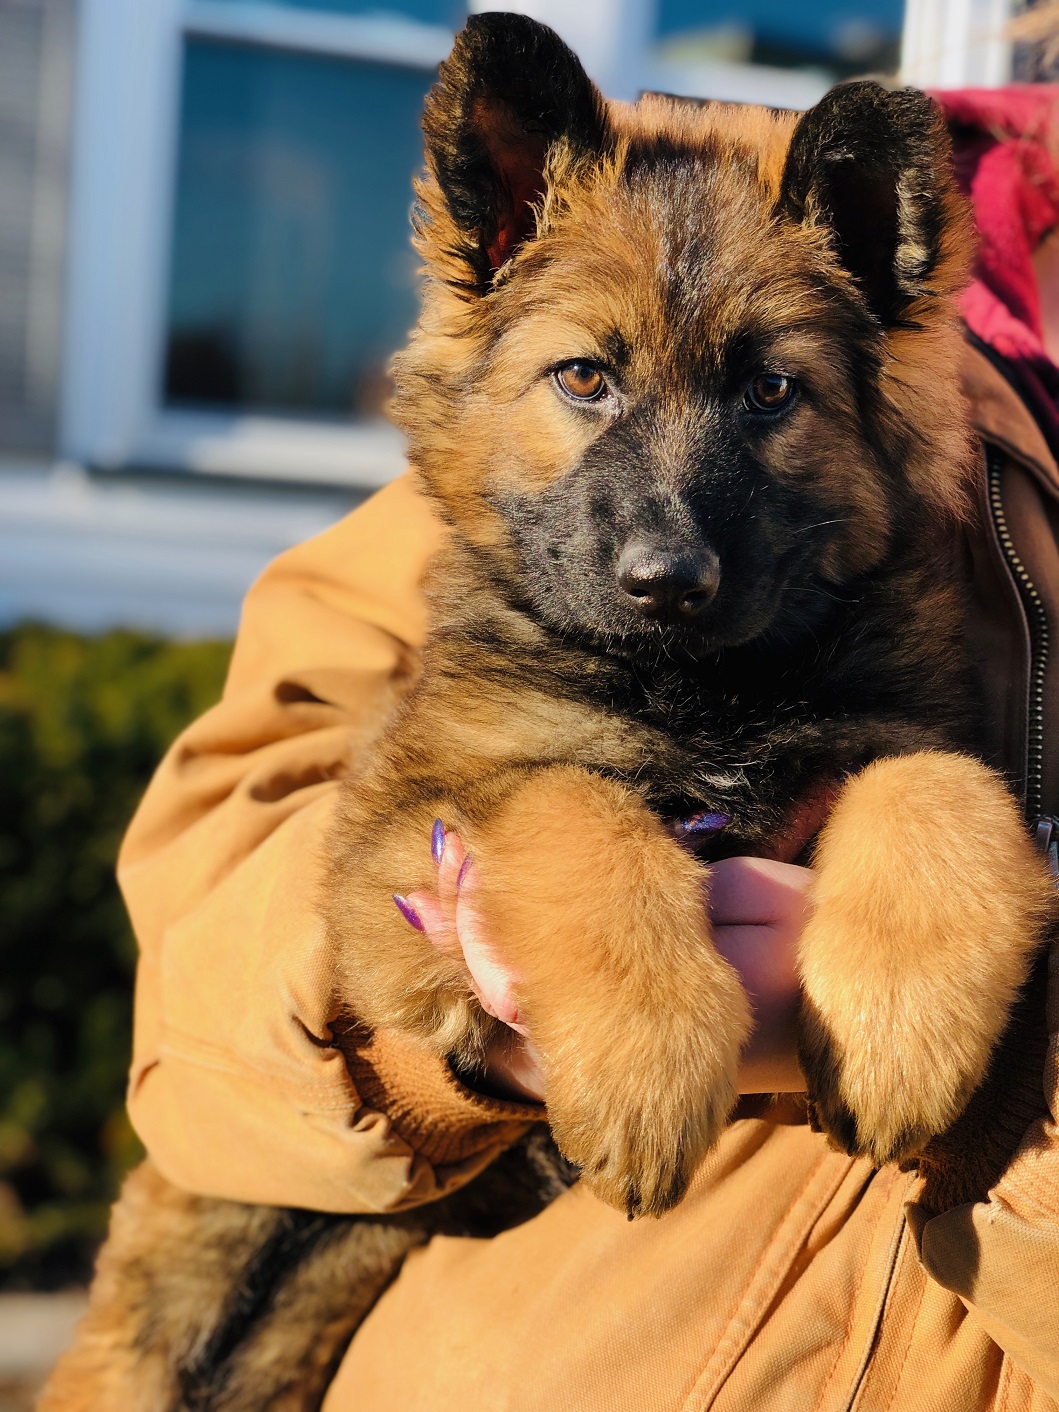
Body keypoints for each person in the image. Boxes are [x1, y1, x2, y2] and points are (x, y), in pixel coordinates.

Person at [117, 85, 1059, 1408]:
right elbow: (240, 873)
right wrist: (489, 998)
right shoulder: (647, 215)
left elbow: (910, 778)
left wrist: (1012, 1079)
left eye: (768, 393)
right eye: (588, 381)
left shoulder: (879, 597)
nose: (668, 530)